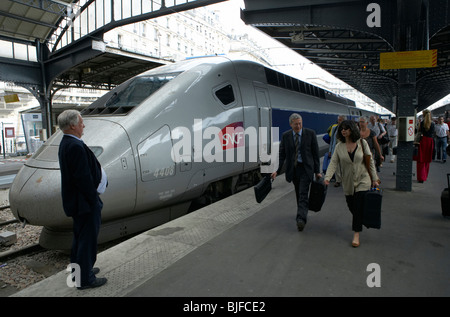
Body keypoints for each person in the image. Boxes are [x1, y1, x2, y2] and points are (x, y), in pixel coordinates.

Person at [58, 109, 108, 290]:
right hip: (84, 204)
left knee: (79, 238)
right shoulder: (74, 146)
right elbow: (83, 178)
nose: (83, 125)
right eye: (81, 122)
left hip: (78, 203)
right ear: (72, 125)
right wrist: (94, 200)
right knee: (87, 240)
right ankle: (85, 279)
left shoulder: (67, 143)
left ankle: (79, 272)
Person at [324, 120, 379, 248]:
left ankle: (356, 234)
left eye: (346, 128)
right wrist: (327, 177)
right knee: (352, 206)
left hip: (363, 179)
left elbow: (369, 161)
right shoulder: (339, 146)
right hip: (348, 181)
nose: (343, 130)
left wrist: (375, 178)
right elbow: (333, 163)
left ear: (352, 130)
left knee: (358, 204)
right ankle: (360, 219)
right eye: (342, 129)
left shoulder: (362, 143)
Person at [271, 113, 322, 231]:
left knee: (303, 193)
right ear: (291, 124)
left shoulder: (310, 134)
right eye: (296, 124)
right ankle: (302, 212)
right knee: (298, 193)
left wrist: (317, 171)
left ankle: (301, 219)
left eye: (300, 123)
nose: (298, 126)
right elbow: (282, 155)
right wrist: (276, 170)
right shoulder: (286, 136)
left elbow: (315, 154)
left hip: (306, 169)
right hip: (294, 170)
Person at [416, 109, 435, 182]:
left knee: (421, 160)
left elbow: (419, 132)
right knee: (427, 160)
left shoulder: (422, 123)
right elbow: (433, 133)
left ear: (423, 115)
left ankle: (421, 178)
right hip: (430, 142)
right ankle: (425, 176)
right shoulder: (432, 123)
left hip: (423, 141)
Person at [328, 115, 346, 187]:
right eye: (338, 120)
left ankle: (345, 179)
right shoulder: (335, 128)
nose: (339, 121)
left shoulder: (347, 129)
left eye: (340, 120)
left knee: (344, 165)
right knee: (337, 166)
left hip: (344, 150)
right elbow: (332, 140)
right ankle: (338, 180)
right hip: (335, 149)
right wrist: (330, 150)